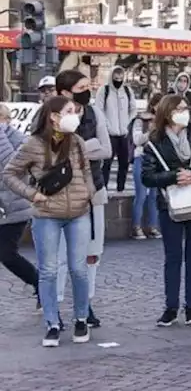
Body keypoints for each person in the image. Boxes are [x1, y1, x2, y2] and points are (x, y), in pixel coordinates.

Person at [2, 97, 94, 347]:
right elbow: (10, 173)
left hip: (78, 213)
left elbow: (86, 170)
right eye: (68, 111)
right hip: (46, 215)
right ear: (53, 116)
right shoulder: (34, 143)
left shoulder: (76, 142)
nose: (74, 114)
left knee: (78, 269)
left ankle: (81, 319)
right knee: (49, 271)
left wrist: (89, 192)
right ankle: (52, 323)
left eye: (74, 111)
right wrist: (32, 194)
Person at [140, 94, 191, 326]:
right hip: (169, 205)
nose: (185, 112)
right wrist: (174, 176)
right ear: (168, 113)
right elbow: (147, 176)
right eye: (180, 109)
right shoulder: (154, 141)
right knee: (173, 257)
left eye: (186, 108)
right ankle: (171, 307)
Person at [54, 70, 109, 329]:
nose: (87, 91)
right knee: (61, 256)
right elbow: (49, 154)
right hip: (60, 193)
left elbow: (107, 150)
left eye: (88, 86)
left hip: (92, 190)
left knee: (92, 254)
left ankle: (86, 304)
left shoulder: (94, 114)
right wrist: (90, 147)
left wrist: (76, 149)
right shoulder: (51, 115)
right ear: (65, 91)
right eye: (81, 87)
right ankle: (54, 305)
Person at [0, 109, 38, 294]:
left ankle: (39, 283)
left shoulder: (19, 140)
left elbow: (9, 164)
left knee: (7, 254)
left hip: (14, 208)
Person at [95, 65, 135, 193]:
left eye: (120, 76)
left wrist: (128, 124)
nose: (118, 79)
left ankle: (121, 189)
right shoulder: (104, 90)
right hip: (109, 134)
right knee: (106, 163)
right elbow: (98, 109)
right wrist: (106, 126)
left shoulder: (128, 91)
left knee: (124, 163)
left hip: (124, 133)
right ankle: (104, 189)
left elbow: (133, 109)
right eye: (116, 76)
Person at [129, 92, 162, 240]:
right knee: (141, 194)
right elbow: (137, 140)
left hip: (156, 160)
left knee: (154, 195)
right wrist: (150, 131)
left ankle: (153, 226)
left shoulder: (163, 121)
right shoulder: (141, 120)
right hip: (142, 157)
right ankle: (136, 227)